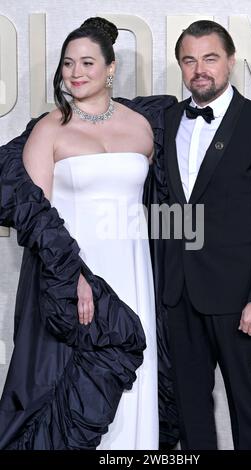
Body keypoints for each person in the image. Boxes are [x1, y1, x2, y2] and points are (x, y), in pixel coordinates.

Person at [0, 17, 176, 450]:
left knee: (136, 377)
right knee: (74, 380)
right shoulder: (49, 129)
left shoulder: (145, 126)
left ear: (110, 68)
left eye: (87, 63)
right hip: (75, 274)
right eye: (67, 64)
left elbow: (165, 203)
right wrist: (73, 277)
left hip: (133, 271)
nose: (76, 73)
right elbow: (36, 216)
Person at [162, 20, 251, 450]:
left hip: (239, 299)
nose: (200, 69)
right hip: (180, 295)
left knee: (245, 406)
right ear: (181, 66)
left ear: (231, 62)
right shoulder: (166, 122)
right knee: (191, 410)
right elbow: (174, 208)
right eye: (190, 60)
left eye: (210, 58)